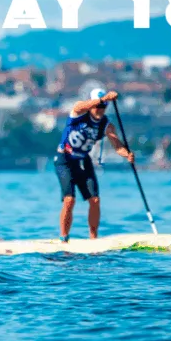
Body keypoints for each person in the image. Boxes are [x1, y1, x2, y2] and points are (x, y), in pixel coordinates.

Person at [53, 88, 135, 241]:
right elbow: (80, 106)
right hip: (65, 159)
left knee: (95, 200)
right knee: (69, 200)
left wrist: (127, 155)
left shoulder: (106, 125)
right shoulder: (79, 112)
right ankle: (64, 238)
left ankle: (93, 239)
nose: (100, 109)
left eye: (103, 107)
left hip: (83, 161)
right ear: (92, 104)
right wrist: (103, 99)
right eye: (98, 106)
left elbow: (117, 145)